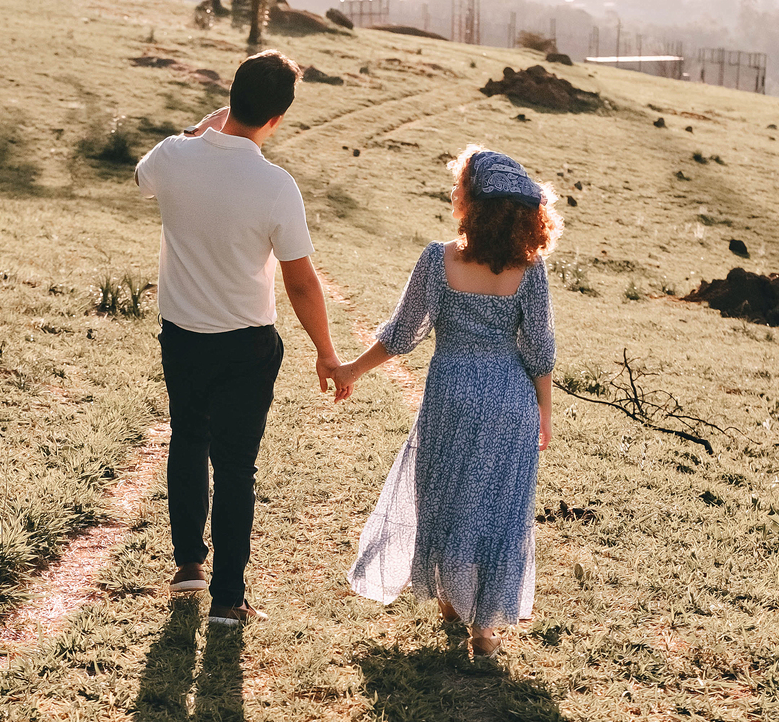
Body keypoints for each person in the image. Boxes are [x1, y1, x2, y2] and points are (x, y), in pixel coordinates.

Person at [134, 50, 342, 625]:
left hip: (181, 334)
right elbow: (301, 282)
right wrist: (326, 352)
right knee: (235, 467)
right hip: (247, 345)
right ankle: (228, 599)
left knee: (187, 438)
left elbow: (141, 178)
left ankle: (187, 565)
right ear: (278, 118)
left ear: (230, 98)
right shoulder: (276, 186)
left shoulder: (172, 156)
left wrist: (198, 129)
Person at [334, 146, 559, 655]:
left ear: (471, 204)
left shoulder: (439, 260)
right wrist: (543, 411)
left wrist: (351, 369)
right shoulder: (531, 270)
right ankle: (486, 630)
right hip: (510, 401)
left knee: (446, 499)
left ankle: (453, 603)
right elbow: (540, 350)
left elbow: (402, 334)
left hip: (451, 396)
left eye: (460, 187)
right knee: (500, 508)